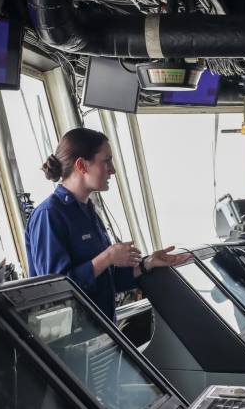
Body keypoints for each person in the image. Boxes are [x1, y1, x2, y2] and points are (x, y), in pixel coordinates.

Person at [25, 127, 187, 320]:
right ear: (82, 165)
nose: (113, 170)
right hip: (73, 340)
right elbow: (55, 291)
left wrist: (146, 264)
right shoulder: (49, 215)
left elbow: (107, 280)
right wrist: (107, 257)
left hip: (104, 329)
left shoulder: (87, 210)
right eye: (106, 161)